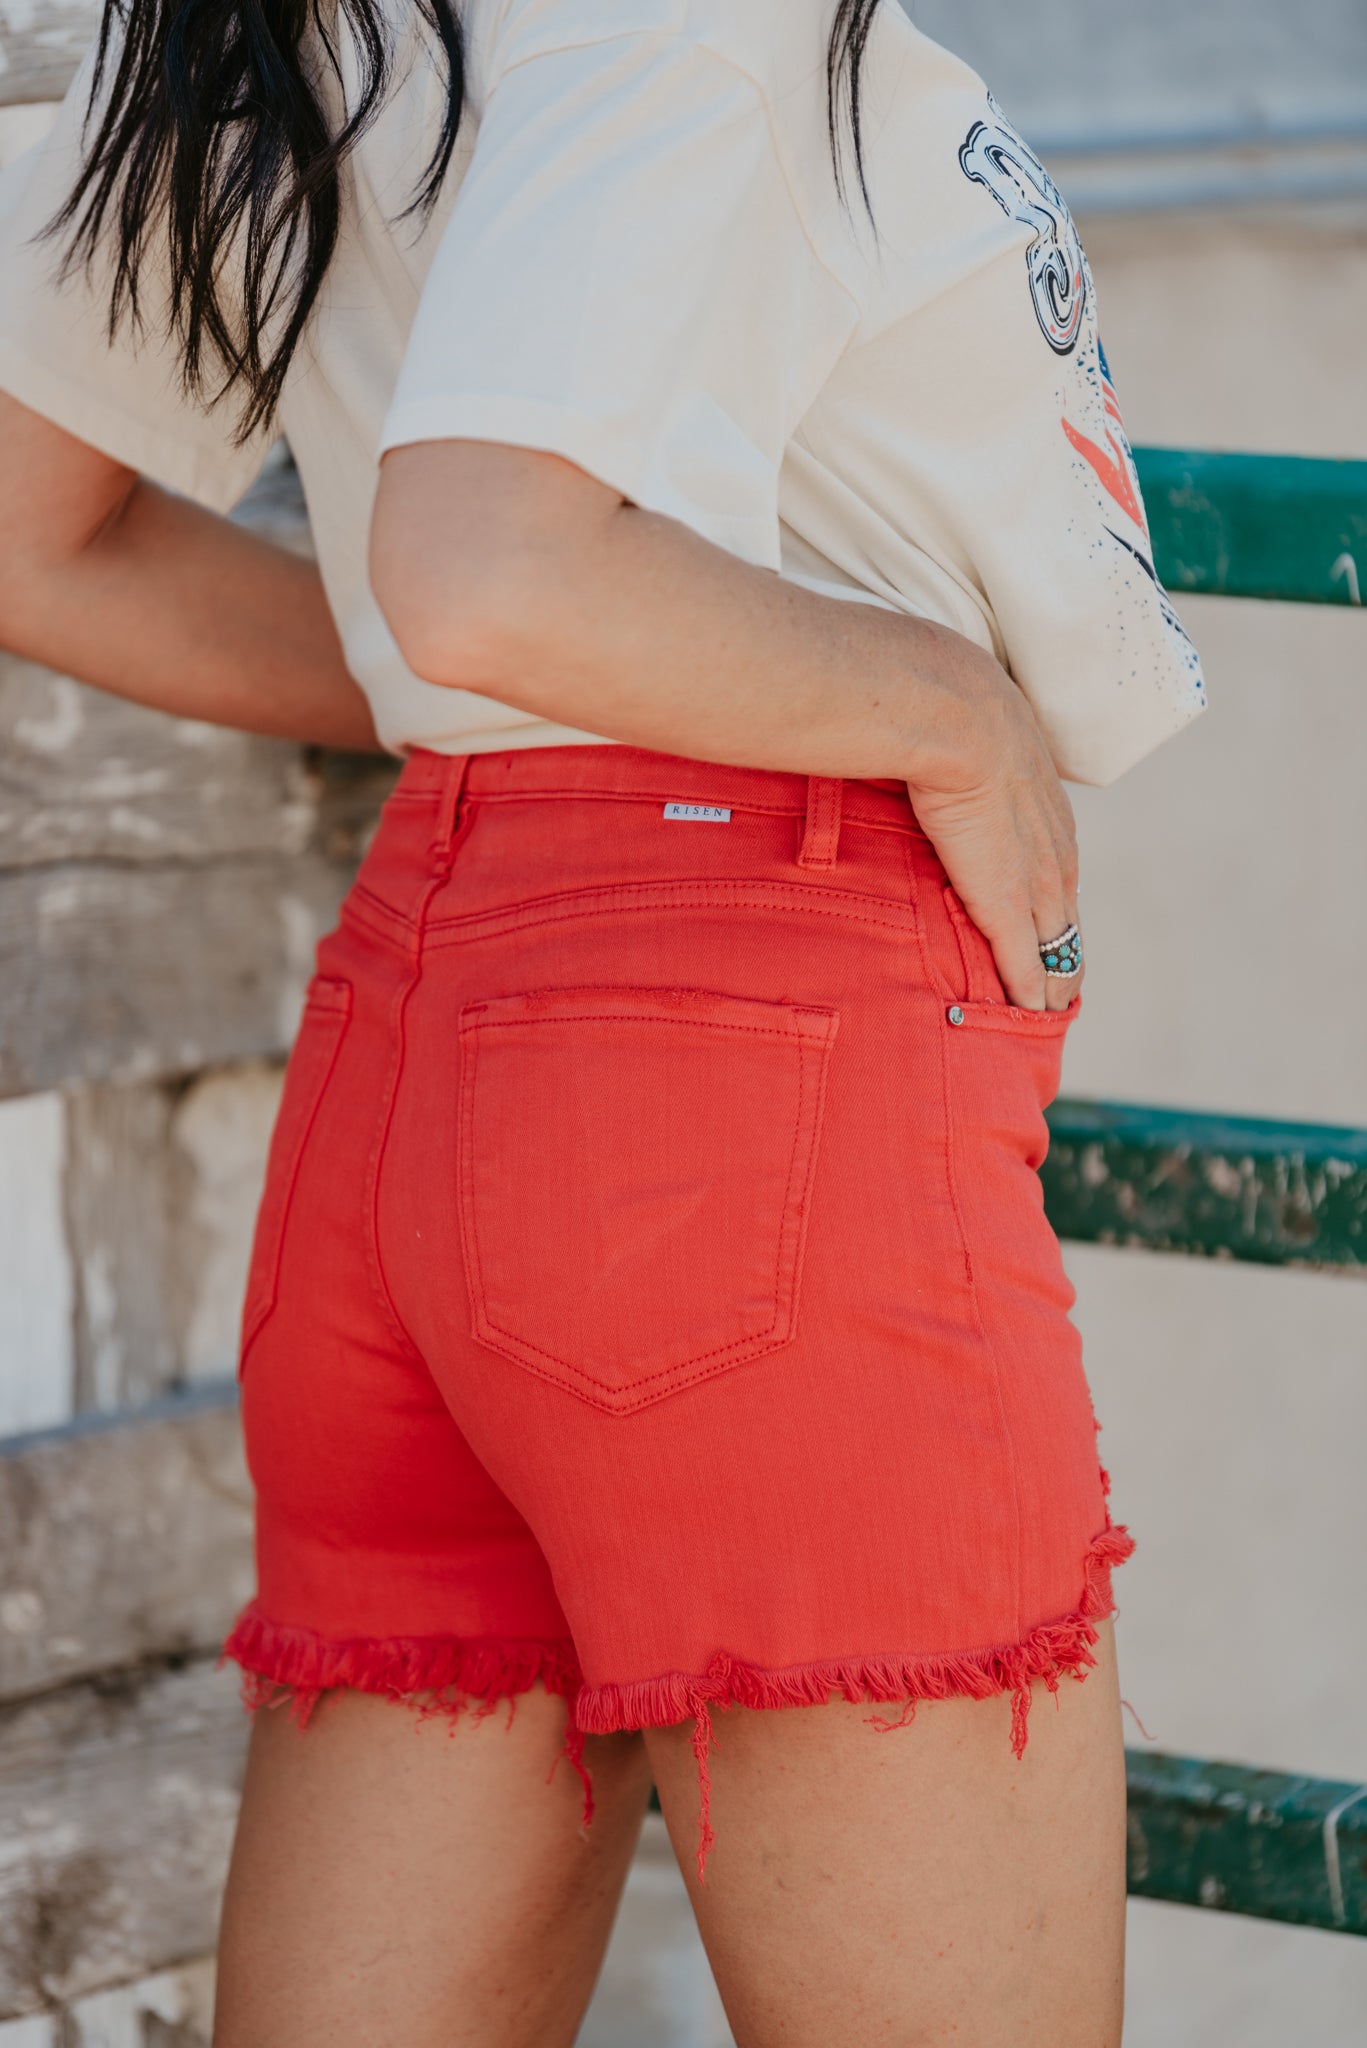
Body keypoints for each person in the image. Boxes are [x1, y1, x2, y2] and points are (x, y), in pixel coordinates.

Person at [0, 0, 1205, 2039]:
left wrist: (469, 701)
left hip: (426, 1051)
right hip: (758, 1070)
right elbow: (489, 566)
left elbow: (43, 527)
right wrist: (953, 713)